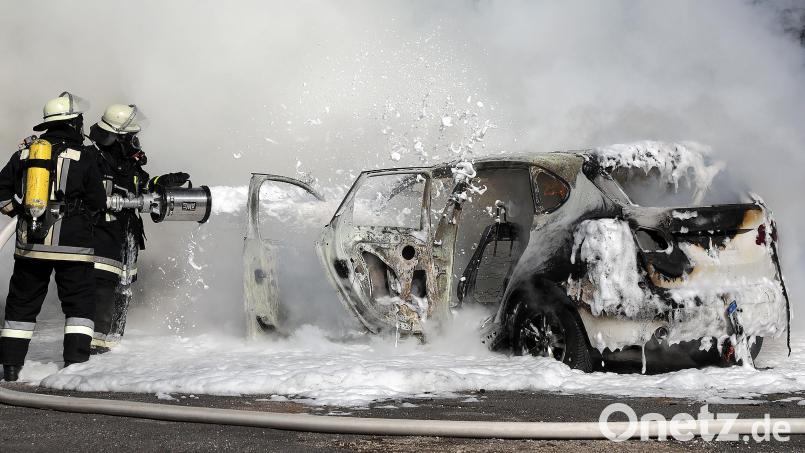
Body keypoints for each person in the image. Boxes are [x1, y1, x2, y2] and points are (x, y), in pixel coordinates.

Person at [0, 92, 107, 381]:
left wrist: (19, 213)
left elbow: (1, 191)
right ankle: (74, 365)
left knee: (22, 303)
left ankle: (11, 367)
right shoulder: (83, 156)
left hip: (31, 244)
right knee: (79, 303)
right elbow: (98, 199)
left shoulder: (26, 153)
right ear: (72, 124)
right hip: (72, 244)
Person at [87, 103, 189, 353]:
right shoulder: (94, 159)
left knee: (124, 288)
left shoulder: (126, 164)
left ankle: (113, 341)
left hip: (127, 234)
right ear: (117, 137)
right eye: (131, 137)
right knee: (102, 288)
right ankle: (94, 346)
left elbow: (142, 184)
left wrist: (161, 182)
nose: (135, 142)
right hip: (102, 234)